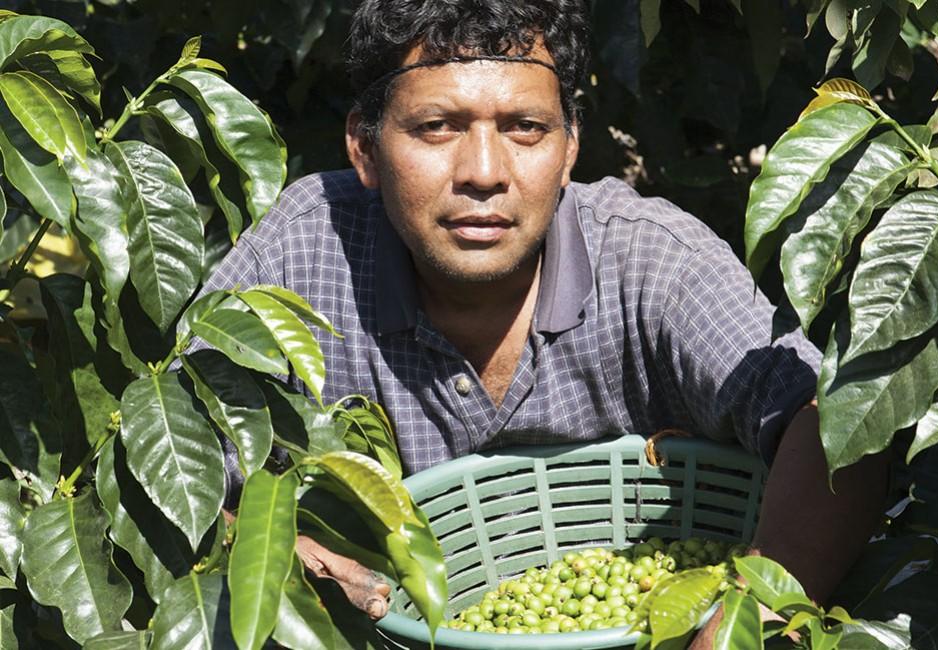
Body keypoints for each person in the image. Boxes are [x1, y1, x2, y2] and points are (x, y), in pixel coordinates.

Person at [202, 0, 889, 642]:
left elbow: (833, 421)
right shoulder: (301, 256)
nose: (483, 172)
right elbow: (180, 467)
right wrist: (274, 551)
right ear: (365, 147)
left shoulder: (649, 261)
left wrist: (739, 629)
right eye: (437, 127)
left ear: (569, 148)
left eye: (525, 128)